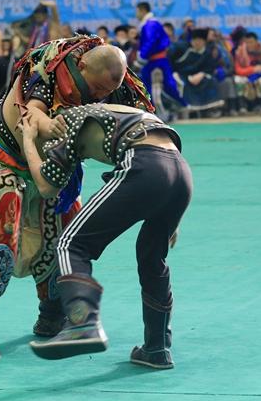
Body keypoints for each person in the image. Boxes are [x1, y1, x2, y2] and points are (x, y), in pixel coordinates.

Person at [0, 35, 154, 361]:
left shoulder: (118, 84)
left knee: (65, 233)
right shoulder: (48, 67)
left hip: (56, 166)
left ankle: (52, 315)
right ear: (82, 66)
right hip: (6, 157)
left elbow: (147, 129)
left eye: (106, 92)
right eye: (96, 88)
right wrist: (50, 125)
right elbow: (32, 114)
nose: (100, 96)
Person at [26, 103, 192, 369]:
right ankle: (157, 348)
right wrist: (172, 213)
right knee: (152, 259)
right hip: (180, 172)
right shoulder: (111, 109)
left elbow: (47, 186)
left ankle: (82, 323)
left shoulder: (64, 122)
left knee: (70, 243)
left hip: (144, 164)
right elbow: (166, 153)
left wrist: (28, 140)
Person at [134, 1, 186, 108]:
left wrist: (141, 57)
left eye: (137, 11)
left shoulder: (150, 25)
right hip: (155, 60)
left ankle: (179, 105)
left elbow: (149, 42)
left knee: (150, 84)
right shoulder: (151, 24)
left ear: (142, 11)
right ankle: (180, 104)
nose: (136, 14)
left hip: (156, 61)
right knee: (164, 84)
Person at [171, 28, 227, 116]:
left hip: (199, 76)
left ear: (204, 41)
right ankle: (185, 109)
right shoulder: (181, 48)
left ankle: (210, 109)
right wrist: (175, 73)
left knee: (211, 81)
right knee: (181, 83)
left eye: (200, 40)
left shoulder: (207, 53)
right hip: (182, 74)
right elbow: (172, 63)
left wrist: (201, 74)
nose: (197, 43)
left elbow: (209, 67)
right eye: (195, 40)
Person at [234, 31, 261, 114]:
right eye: (247, 42)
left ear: (256, 42)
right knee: (238, 79)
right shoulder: (240, 51)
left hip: (260, 76)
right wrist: (252, 70)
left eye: (251, 42)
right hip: (245, 75)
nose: (249, 45)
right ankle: (242, 106)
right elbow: (237, 69)